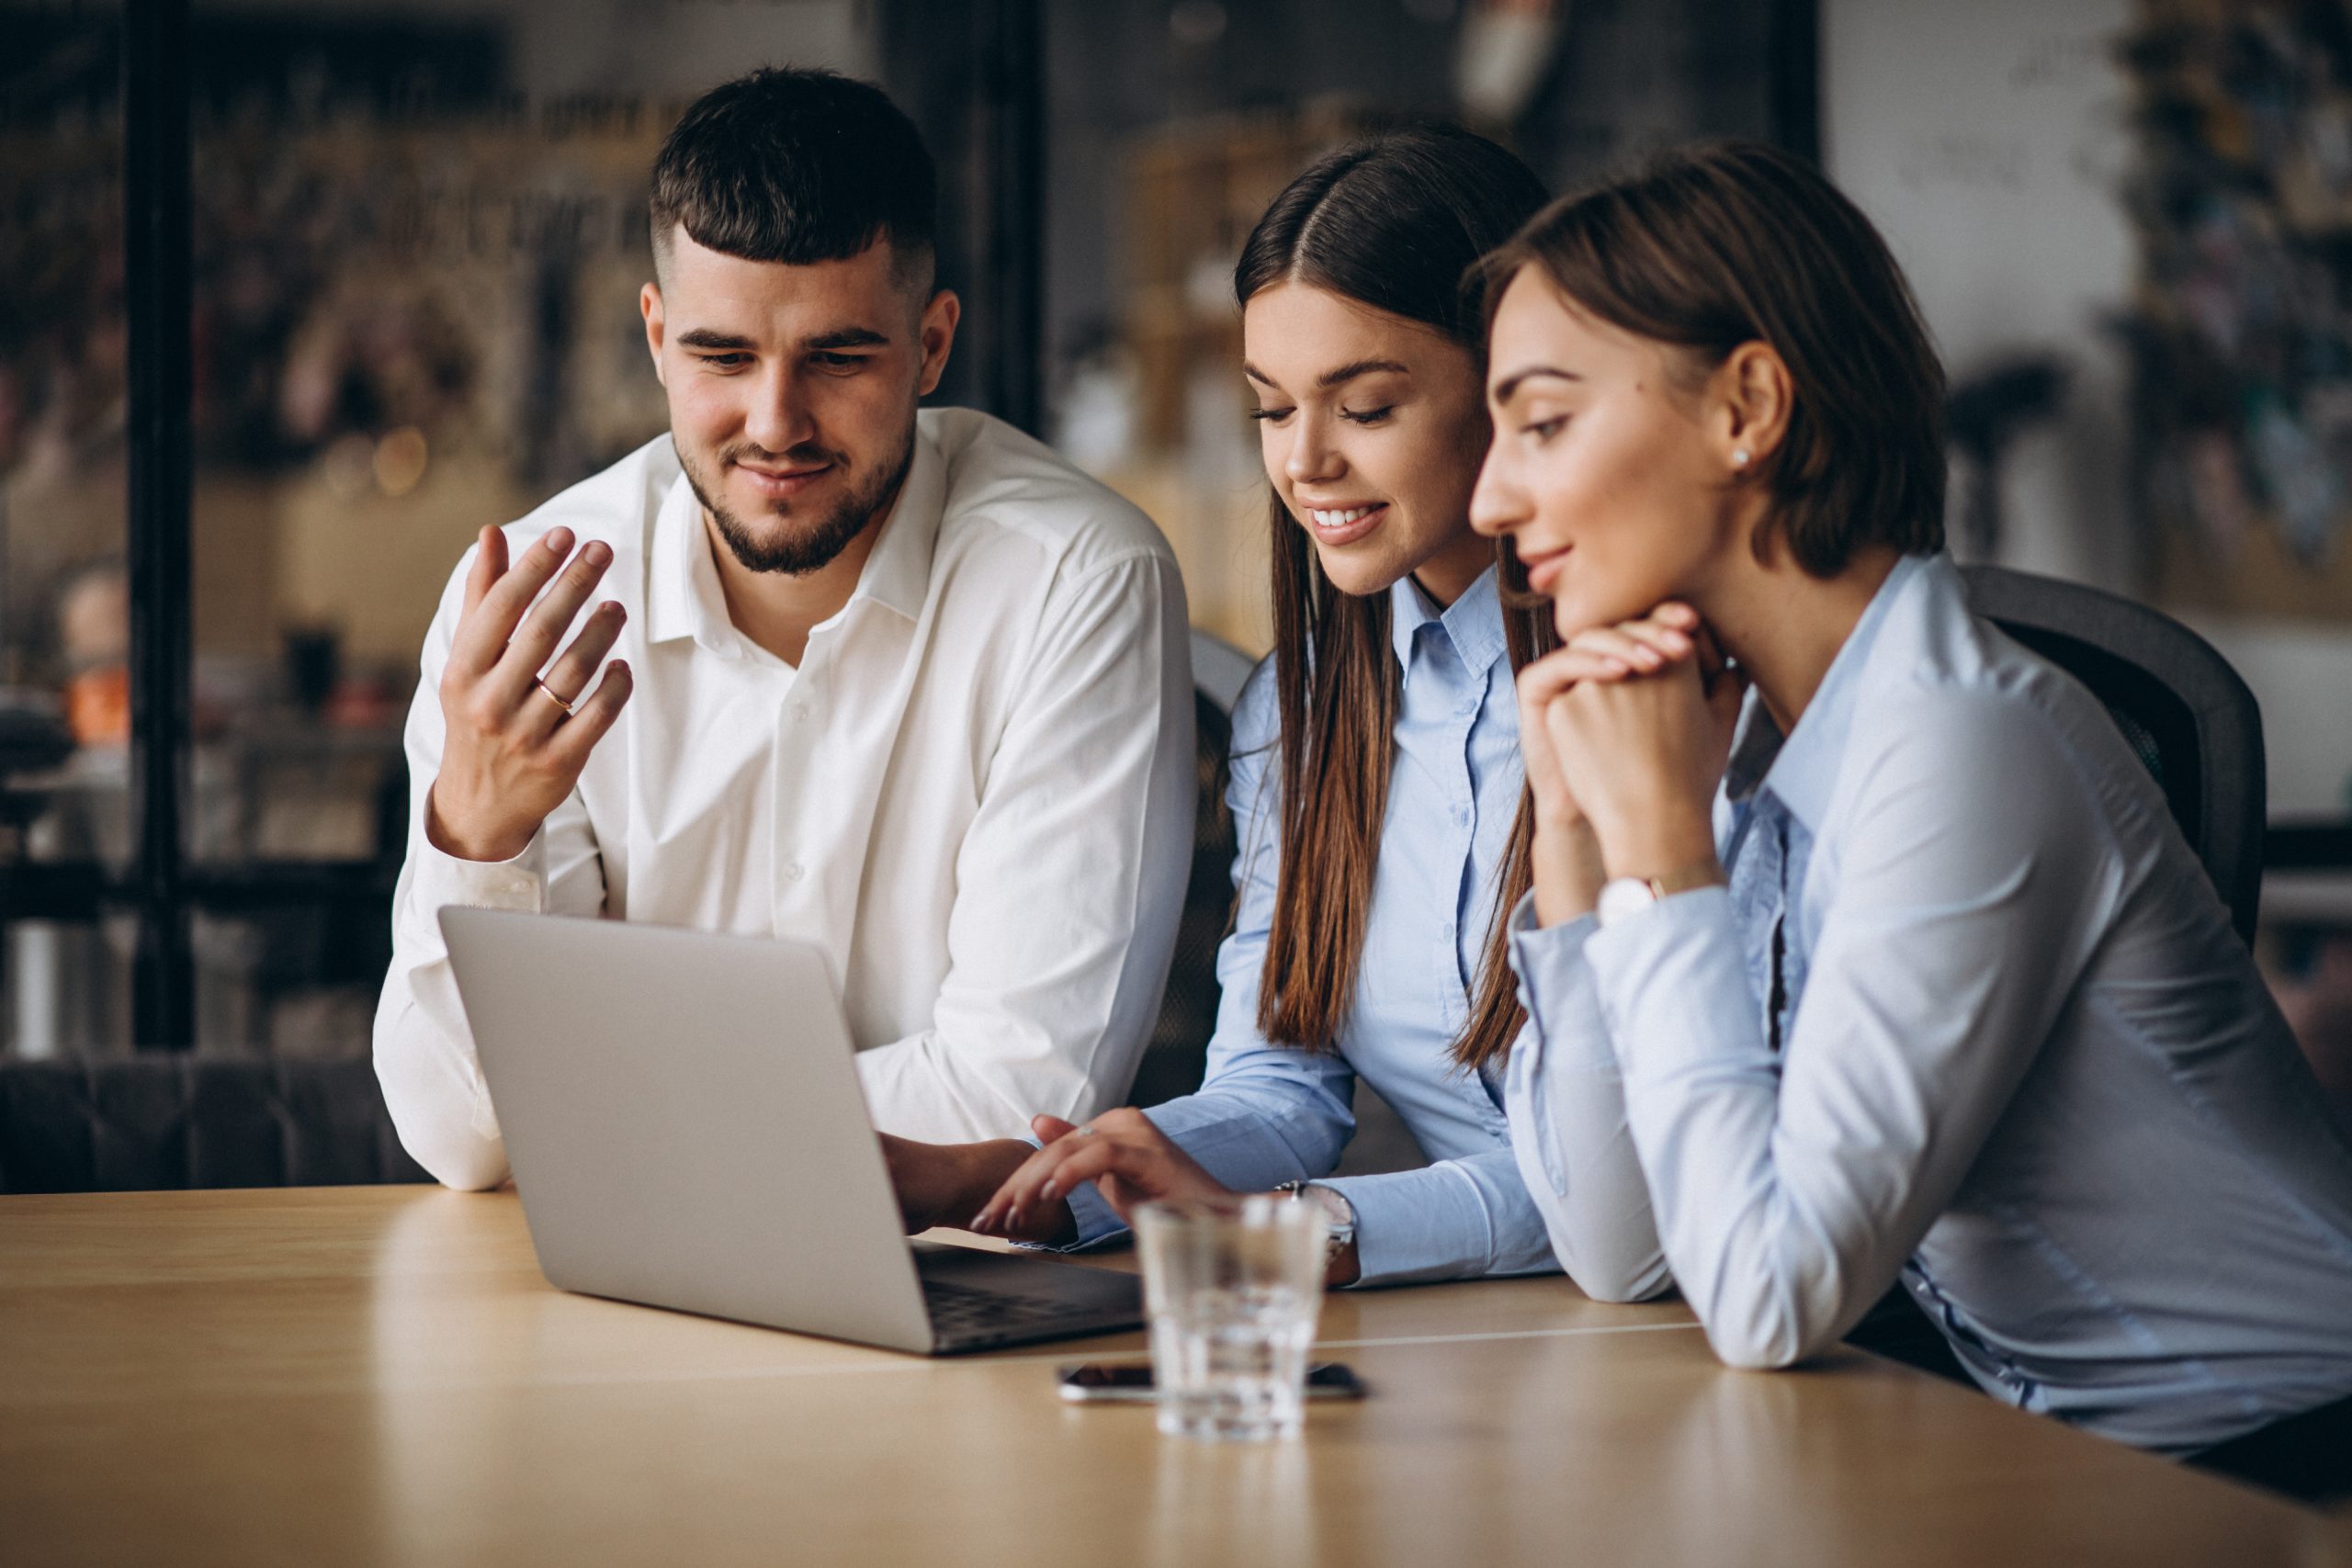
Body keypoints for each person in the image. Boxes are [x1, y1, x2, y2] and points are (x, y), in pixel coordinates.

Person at [1473, 140, 2352, 1467]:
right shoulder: (1752, 731)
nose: (1491, 495)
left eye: (1540, 422)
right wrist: (1580, 839)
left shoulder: (1961, 741)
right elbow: (1625, 1247)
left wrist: (1663, 846)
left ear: (1747, 406)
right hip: (2057, 1454)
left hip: (2281, 1468)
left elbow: (1768, 1296)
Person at [373, 68, 1194, 1190]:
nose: (775, 425)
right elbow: (462, 1138)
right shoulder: (521, 613)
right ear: (657, 338)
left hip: (951, 1303)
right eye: (722, 357)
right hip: (595, 1303)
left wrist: (591, 1114)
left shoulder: (1074, 580)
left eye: (838, 358)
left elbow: (1018, 1105)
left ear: (934, 344)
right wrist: (478, 831)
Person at [888, 126, 1603, 1290]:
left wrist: (1305, 1230)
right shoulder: (1308, 707)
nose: (1305, 462)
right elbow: (1280, 1089)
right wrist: (1029, 1179)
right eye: (1272, 410)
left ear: (1513, 390)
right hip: (1510, 1332)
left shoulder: (1644, 694)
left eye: (1364, 407)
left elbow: (1622, 1190)